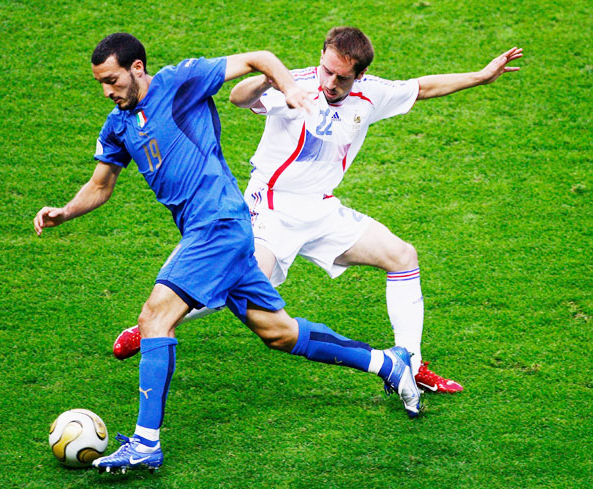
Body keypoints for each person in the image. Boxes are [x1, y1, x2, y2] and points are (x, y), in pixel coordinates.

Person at [34, 32, 422, 475]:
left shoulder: (181, 81)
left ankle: (145, 444)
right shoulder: (117, 125)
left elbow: (259, 55)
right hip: (217, 231)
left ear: (136, 68)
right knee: (278, 332)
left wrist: (289, 87)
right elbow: (100, 186)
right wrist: (64, 212)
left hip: (216, 224)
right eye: (101, 83)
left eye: (112, 80)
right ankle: (386, 363)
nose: (107, 91)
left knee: (154, 317)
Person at [112, 27, 523, 393]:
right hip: (269, 209)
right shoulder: (299, 84)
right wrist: (268, 84)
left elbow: (423, 87)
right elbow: (237, 98)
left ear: (358, 75)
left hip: (322, 211)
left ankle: (410, 365)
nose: (329, 81)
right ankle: (152, 324)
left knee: (403, 256)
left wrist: (482, 76)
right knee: (239, 284)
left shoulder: (371, 93)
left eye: (341, 76)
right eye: (325, 69)